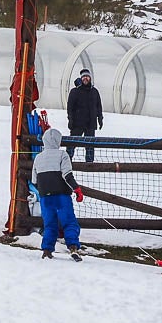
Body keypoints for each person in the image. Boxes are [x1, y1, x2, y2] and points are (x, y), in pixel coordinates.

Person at [31, 127, 85, 261]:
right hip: (62, 196)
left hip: (45, 197)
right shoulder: (62, 155)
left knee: (49, 224)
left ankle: (47, 250)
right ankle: (73, 246)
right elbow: (67, 175)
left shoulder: (38, 158)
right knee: (69, 222)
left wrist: (43, 190)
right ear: (58, 141)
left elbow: (34, 180)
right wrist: (76, 189)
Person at [65, 68, 104, 163]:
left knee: (90, 144)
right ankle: (67, 161)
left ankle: (89, 163)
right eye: (83, 77)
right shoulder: (75, 91)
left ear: (90, 78)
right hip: (77, 123)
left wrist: (100, 118)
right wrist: (70, 120)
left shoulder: (94, 91)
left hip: (90, 123)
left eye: (87, 76)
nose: (85, 78)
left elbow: (98, 106)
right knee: (72, 143)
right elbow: (70, 107)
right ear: (81, 78)